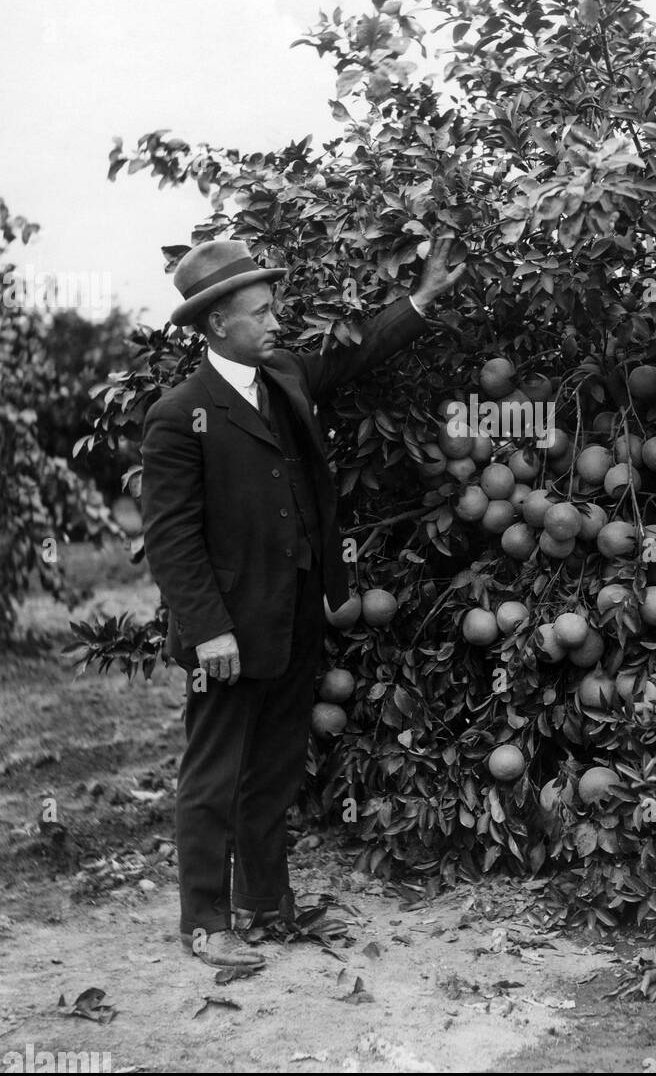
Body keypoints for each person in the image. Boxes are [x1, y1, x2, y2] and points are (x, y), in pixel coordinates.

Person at [140, 236, 464, 968]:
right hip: (228, 631)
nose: (275, 320)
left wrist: (419, 300)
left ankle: (262, 903)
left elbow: (352, 357)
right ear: (218, 323)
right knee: (214, 774)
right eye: (260, 311)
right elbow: (172, 539)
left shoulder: (282, 375)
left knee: (276, 767)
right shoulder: (179, 413)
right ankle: (204, 922)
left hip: (294, 615)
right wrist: (209, 631)